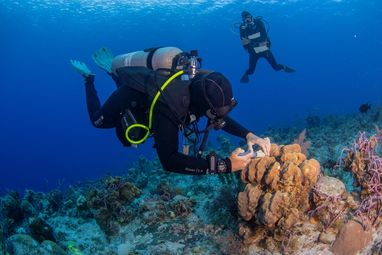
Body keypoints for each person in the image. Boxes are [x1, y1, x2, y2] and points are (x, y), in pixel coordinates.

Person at [70, 46, 271, 175]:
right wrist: (225, 165)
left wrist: (249, 134)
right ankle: (89, 79)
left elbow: (219, 117)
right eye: (214, 113)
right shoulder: (169, 105)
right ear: (203, 105)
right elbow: (169, 160)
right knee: (98, 122)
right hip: (130, 95)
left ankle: (117, 74)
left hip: (147, 93)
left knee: (138, 100)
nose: (218, 118)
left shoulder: (200, 87)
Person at [239, 11, 295, 83]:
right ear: (243, 20)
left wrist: (251, 40)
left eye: (248, 18)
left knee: (276, 67)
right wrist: (243, 31)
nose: (247, 20)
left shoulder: (259, 23)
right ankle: (246, 75)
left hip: (265, 50)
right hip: (254, 52)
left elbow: (264, 37)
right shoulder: (242, 27)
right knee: (251, 71)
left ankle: (284, 67)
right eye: (245, 19)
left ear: (251, 17)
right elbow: (243, 41)